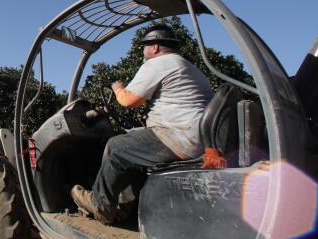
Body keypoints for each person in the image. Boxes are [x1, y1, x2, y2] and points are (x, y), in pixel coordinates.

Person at [71, 24, 213, 224]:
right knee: (132, 142)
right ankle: (122, 208)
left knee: (116, 146)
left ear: (154, 47)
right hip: (197, 138)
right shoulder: (188, 66)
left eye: (144, 46)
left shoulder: (159, 63)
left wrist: (118, 88)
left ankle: (100, 204)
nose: (142, 51)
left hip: (177, 137)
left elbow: (129, 100)